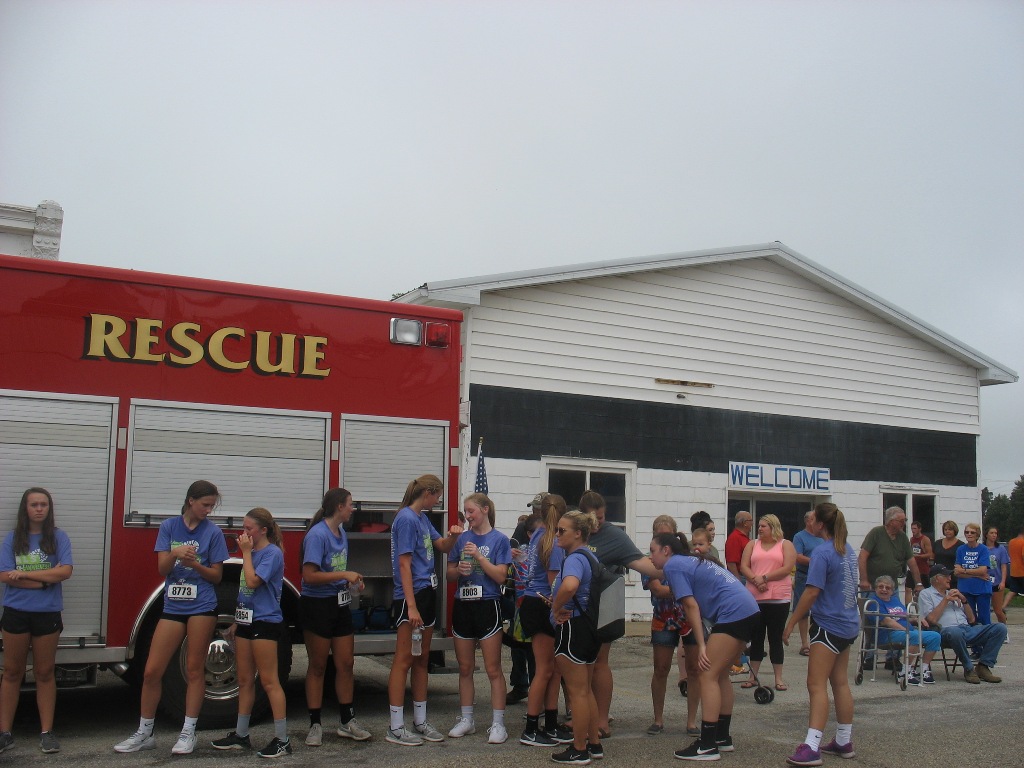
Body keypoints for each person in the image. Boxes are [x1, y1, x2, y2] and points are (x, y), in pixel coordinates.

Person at [114, 480, 229, 755]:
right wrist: (176, 553)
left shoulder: (213, 532)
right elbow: (162, 569)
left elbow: (217, 576)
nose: (208, 510)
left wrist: (195, 564)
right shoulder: (169, 527)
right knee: (152, 670)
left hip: (202, 606)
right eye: (205, 505)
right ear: (191, 501)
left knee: (194, 669)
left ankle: (188, 732)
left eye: (212, 506)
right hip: (174, 606)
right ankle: (145, 732)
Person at [650, 532, 760, 761]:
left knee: (707, 674)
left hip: (734, 612)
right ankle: (721, 737)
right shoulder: (688, 560)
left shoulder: (674, 566)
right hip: (748, 609)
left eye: (653, 551)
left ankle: (708, 745)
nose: (650, 557)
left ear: (666, 551)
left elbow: (691, 606)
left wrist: (701, 645)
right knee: (720, 675)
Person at [386, 474, 462, 746]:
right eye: (437, 496)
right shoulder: (406, 518)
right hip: (412, 595)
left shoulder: (422, 518)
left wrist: (454, 537)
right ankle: (396, 727)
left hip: (428, 591)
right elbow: (404, 564)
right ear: (428, 492)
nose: (438, 501)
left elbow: (441, 546)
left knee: (422, 657)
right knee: (404, 659)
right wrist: (411, 606)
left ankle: (420, 720)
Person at [781, 502, 860, 767]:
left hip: (828, 625)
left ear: (821, 524)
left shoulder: (823, 553)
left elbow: (811, 592)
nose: (810, 523)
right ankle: (843, 740)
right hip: (848, 624)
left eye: (813, 519)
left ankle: (812, 746)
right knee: (840, 682)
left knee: (816, 685)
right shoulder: (847, 549)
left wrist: (791, 622)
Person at [579, 491, 660, 739]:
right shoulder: (574, 529)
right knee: (579, 663)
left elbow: (643, 565)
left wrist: (675, 568)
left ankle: (602, 720)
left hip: (606, 601)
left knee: (599, 661)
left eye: (601, 518)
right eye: (592, 519)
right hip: (580, 605)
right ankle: (581, 715)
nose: (597, 524)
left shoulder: (614, 536)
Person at [0, 488, 73, 755]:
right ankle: (4, 733)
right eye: (34, 504)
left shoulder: (58, 537)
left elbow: (65, 571)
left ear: (49, 508)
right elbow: (5, 575)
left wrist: (26, 576)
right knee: (12, 672)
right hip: (16, 612)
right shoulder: (13, 538)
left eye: (43, 504)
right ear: (26, 508)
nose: (39, 509)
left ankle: (46, 732)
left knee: (44, 672)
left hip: (47, 613)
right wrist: (44, 580)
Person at [212, 508, 289, 757]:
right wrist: (237, 621)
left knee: (269, 681)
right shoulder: (253, 553)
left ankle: (282, 739)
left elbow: (254, 581)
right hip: (246, 622)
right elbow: (245, 592)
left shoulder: (272, 554)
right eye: (243, 528)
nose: (244, 533)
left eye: (249, 529)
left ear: (263, 530)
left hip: (265, 622)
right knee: (244, 680)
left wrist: (245, 553)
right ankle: (241, 734)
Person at [296, 488, 370, 747]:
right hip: (317, 605)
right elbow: (309, 576)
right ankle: (315, 723)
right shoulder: (318, 535)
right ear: (339, 506)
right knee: (318, 665)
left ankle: (347, 720)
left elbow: (336, 572)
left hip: (340, 605)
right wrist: (343, 575)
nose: (353, 509)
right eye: (350, 504)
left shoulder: (341, 533)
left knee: (346, 663)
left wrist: (351, 584)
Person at [446, 493, 513, 744]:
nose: (467, 516)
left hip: (488, 604)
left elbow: (501, 576)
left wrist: (479, 557)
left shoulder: (499, 540)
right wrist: (458, 570)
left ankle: (498, 723)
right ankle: (467, 719)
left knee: (493, 668)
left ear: (485, 510)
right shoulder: (461, 538)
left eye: (471, 511)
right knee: (465, 667)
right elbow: (449, 574)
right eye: (465, 511)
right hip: (463, 604)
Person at [549, 509, 604, 765]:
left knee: (577, 692)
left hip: (573, 627)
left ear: (578, 533)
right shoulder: (591, 556)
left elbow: (570, 585)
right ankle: (594, 743)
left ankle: (579, 748)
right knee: (586, 690)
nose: (557, 535)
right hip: (590, 627)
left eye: (562, 530)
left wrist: (556, 607)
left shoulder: (573, 559)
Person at [519, 494, 572, 748]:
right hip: (542, 603)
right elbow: (554, 582)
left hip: (533, 602)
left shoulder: (538, 534)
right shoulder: (554, 541)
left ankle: (550, 724)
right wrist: (561, 609)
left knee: (554, 670)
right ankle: (530, 728)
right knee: (544, 670)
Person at [642, 517, 698, 737]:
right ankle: (658, 719)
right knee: (661, 668)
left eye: (668, 535)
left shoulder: (687, 559)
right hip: (663, 617)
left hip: (688, 617)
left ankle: (692, 721)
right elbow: (657, 590)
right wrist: (683, 589)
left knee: (694, 669)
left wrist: (678, 589)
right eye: (659, 535)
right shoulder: (650, 561)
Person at [918, 564, 1006, 684]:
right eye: (946, 576)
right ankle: (969, 668)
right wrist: (945, 600)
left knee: (1000, 628)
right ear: (937, 578)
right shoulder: (926, 594)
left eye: (950, 576)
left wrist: (964, 600)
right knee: (955, 632)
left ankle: (983, 666)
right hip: (944, 631)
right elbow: (931, 620)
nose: (950, 578)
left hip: (966, 629)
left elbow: (971, 619)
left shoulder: (953, 593)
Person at [740, 514, 795, 692]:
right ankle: (753, 676)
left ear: (773, 527)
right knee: (756, 637)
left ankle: (778, 678)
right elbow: (744, 566)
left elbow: (787, 568)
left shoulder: (785, 544)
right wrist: (756, 580)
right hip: (755, 596)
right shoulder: (752, 544)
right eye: (759, 526)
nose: (759, 529)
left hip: (778, 598)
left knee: (775, 638)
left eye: (763, 526)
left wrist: (764, 577)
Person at [507, 493, 546, 705]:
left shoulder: (555, 530)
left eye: (539, 508)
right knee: (518, 644)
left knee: (539, 650)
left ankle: (541, 694)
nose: (535, 511)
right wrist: (511, 552)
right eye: (534, 507)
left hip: (543, 597)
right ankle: (520, 685)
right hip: (522, 596)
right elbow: (512, 547)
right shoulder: (524, 526)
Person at [868, 575, 940, 686]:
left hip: (905, 632)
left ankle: (923, 670)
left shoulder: (895, 600)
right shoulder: (874, 602)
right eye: (880, 587)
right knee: (914, 636)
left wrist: (915, 619)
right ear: (875, 588)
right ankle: (905, 672)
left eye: (888, 588)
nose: (884, 590)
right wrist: (906, 631)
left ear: (892, 591)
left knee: (935, 636)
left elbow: (903, 617)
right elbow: (887, 621)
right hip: (887, 634)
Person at [858, 506, 922, 598]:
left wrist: (918, 583)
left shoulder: (903, 537)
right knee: (872, 608)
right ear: (891, 522)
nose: (904, 523)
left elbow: (912, 562)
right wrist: (863, 580)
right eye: (901, 521)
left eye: (905, 520)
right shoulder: (876, 533)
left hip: (892, 588)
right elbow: (862, 557)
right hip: (873, 588)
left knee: (895, 608)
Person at [792, 511, 822, 657]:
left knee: (819, 610)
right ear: (808, 521)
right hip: (804, 576)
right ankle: (805, 644)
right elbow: (797, 557)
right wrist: (817, 562)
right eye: (815, 519)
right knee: (803, 610)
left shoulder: (823, 537)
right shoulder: (799, 537)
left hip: (821, 577)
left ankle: (817, 642)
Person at [954, 523, 992, 626]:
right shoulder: (960, 549)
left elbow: (983, 570)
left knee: (984, 619)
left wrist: (964, 570)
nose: (969, 534)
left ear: (977, 534)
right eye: (967, 532)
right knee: (970, 619)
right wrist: (977, 574)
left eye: (972, 532)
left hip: (982, 589)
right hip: (965, 589)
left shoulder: (983, 549)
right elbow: (957, 572)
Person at [984, 526, 1009, 625]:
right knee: (985, 609)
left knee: (998, 610)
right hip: (984, 581)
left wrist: (1003, 582)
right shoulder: (982, 548)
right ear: (986, 535)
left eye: (995, 533)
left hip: (997, 582)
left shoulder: (1001, 549)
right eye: (992, 533)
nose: (994, 535)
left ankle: (1003, 628)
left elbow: (1003, 566)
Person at [907, 521, 933, 605]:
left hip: (923, 570)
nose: (913, 530)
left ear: (919, 529)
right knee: (908, 589)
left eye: (915, 528)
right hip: (912, 569)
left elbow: (930, 554)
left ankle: (926, 606)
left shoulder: (925, 539)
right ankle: (908, 608)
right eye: (912, 529)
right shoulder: (911, 539)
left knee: (924, 591)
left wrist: (919, 556)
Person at [930, 521, 964, 587]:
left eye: (950, 529)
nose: (947, 531)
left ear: (954, 530)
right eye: (945, 529)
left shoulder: (961, 545)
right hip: (939, 576)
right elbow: (931, 558)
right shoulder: (937, 543)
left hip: (953, 577)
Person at [1001, 524, 1024, 618]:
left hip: (1013, 571)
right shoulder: (1023, 542)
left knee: (1013, 590)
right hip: (1022, 571)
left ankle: (1003, 607)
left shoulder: (1011, 542)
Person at [724, 511, 752, 581]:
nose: (752, 523)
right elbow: (731, 563)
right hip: (741, 577)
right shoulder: (735, 538)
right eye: (751, 521)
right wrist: (737, 580)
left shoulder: (742, 537)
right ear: (745, 523)